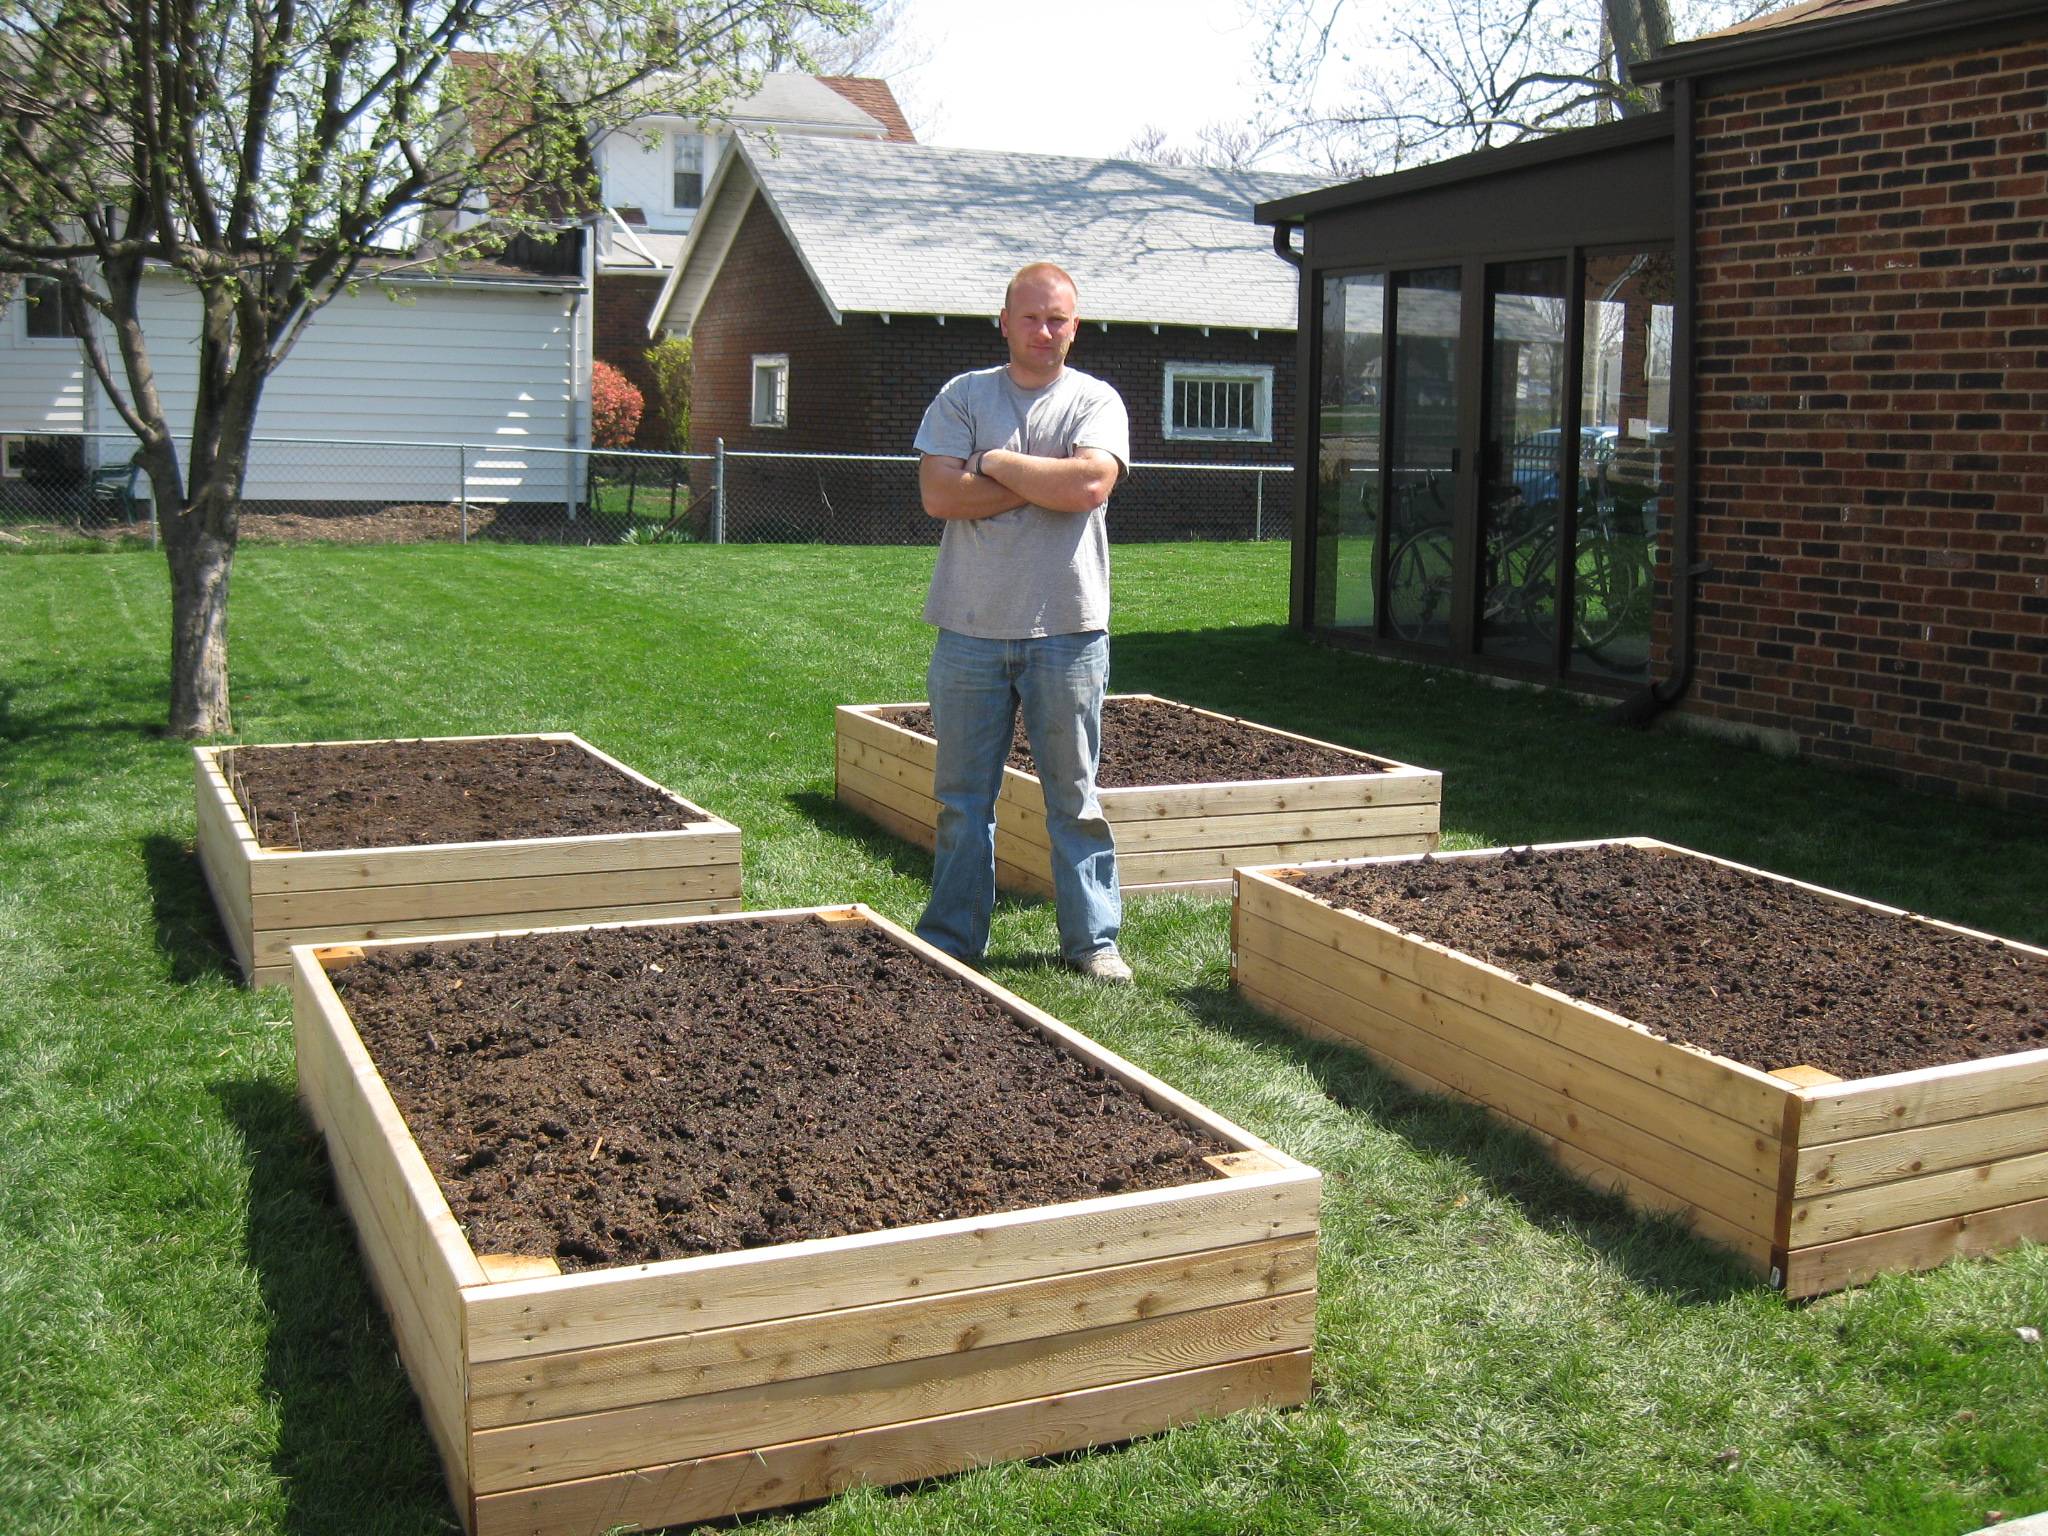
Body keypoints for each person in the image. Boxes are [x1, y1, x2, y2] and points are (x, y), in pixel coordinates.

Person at [911, 260, 1133, 982]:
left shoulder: (1095, 400)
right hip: (969, 630)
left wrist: (1000, 462)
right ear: (1004, 322)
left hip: (1067, 632)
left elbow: (1092, 483)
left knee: (1074, 798)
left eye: (1058, 318)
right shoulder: (962, 395)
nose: (1045, 330)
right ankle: (951, 938)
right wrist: (1046, 482)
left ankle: (1094, 942)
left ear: (1076, 326)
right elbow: (941, 496)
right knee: (962, 801)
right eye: (1031, 317)